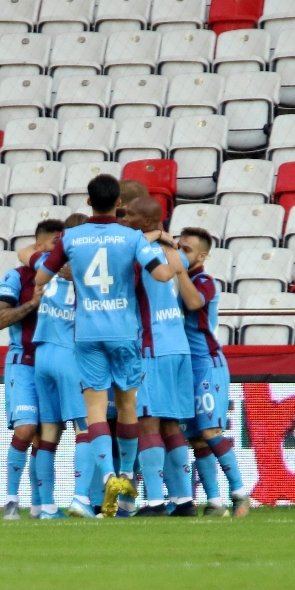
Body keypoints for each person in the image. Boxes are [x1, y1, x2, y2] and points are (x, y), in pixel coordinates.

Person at [35, 175, 177, 519]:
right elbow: (161, 275)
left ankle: (109, 476)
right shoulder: (131, 237)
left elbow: (41, 277)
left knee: (95, 409)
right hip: (124, 332)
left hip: (86, 333)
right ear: (120, 205)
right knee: (128, 404)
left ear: (88, 202)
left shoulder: (71, 237)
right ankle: (126, 478)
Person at [121, 197, 197, 518]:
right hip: (178, 346)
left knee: (146, 421)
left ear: (145, 221)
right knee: (170, 423)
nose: (124, 220)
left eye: (130, 216)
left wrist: (149, 238)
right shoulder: (174, 253)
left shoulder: (138, 254)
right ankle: (183, 500)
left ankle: (153, 502)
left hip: (152, 348)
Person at [176, 227, 251, 518]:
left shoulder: (204, 281)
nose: (181, 254)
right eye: (179, 248)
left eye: (187, 250)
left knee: (210, 430)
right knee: (195, 438)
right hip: (184, 367)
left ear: (203, 255)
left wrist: (177, 268)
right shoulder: (175, 282)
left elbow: (195, 303)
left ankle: (240, 492)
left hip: (206, 362)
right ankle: (215, 502)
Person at [20, 214, 88, 520]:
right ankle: (80, 499)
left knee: (48, 431)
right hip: (68, 352)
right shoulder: (88, 268)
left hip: (42, 353)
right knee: (84, 427)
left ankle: (46, 506)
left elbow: (23, 253)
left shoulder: (46, 262)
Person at [0, 221, 61, 521]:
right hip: (23, 362)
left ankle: (40, 505)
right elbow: (0, 319)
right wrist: (34, 303)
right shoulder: (17, 277)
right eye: (54, 243)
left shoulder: (67, 279)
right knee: (26, 429)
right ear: (38, 248)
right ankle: (11, 499)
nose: (60, 249)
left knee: (46, 436)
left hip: (53, 364)